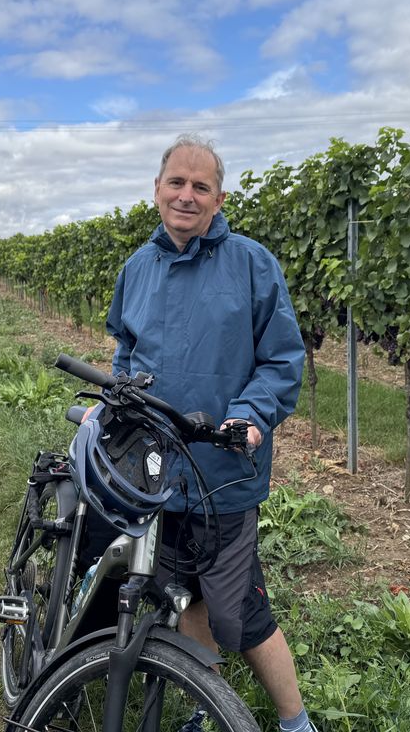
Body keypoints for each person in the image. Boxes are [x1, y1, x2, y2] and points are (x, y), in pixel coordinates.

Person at [106, 134, 314, 732]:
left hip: (223, 476)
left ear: (219, 199)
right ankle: (207, 702)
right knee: (183, 599)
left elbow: (281, 359)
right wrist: (117, 404)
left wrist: (249, 416)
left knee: (239, 612)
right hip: (154, 474)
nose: (187, 196)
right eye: (177, 182)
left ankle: (295, 721)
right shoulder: (138, 267)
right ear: (157, 190)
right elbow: (126, 349)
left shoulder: (251, 264)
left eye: (201, 187)